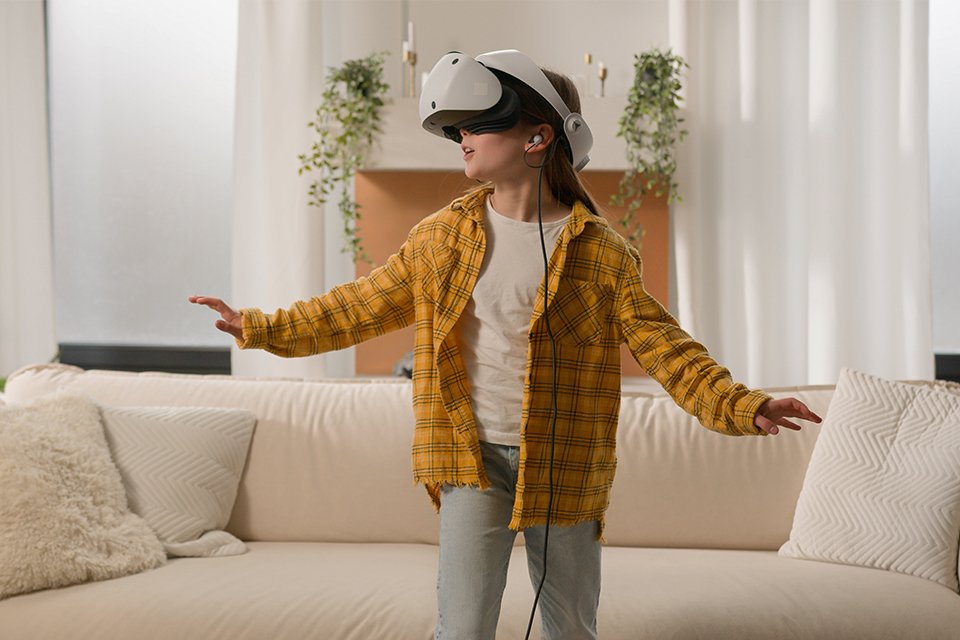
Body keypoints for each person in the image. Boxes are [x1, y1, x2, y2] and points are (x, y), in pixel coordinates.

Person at [190, 49, 821, 640]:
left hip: (566, 460)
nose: (462, 136)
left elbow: (665, 346)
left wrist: (744, 405)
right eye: (458, 127)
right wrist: (260, 327)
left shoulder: (602, 253)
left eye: (479, 124)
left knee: (570, 625)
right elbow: (360, 306)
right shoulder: (442, 237)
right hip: (469, 455)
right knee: (462, 625)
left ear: (537, 138)